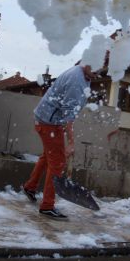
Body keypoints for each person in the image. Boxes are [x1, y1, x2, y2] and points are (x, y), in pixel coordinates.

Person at [22, 64, 97, 220]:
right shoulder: (76, 80)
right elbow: (69, 116)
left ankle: (30, 187)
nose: (98, 71)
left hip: (48, 119)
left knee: (48, 156)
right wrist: (71, 143)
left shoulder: (84, 74)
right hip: (48, 122)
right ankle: (47, 206)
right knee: (57, 162)